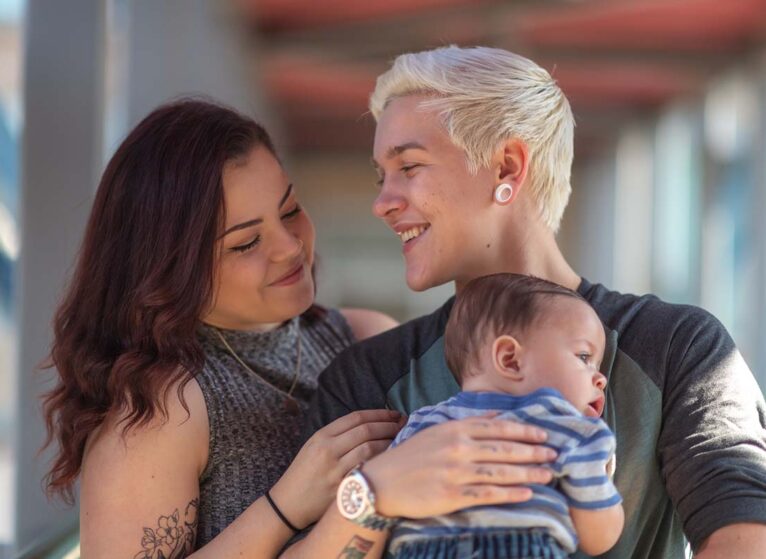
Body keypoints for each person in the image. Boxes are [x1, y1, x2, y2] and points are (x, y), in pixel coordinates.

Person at [42, 98, 556, 559]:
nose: (289, 246)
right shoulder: (160, 408)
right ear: (168, 267)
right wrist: (285, 505)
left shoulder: (363, 335)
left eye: (290, 209)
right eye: (246, 243)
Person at [305, 46, 766, 558]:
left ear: (506, 167)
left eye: (408, 167)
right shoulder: (368, 377)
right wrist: (371, 494)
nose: (382, 202)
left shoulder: (678, 346)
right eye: (380, 176)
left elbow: (743, 535)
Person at [386, 273, 624, 559]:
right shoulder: (568, 429)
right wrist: (597, 473)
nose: (600, 378)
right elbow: (599, 538)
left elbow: (387, 503)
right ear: (510, 359)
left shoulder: (422, 424)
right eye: (584, 357)